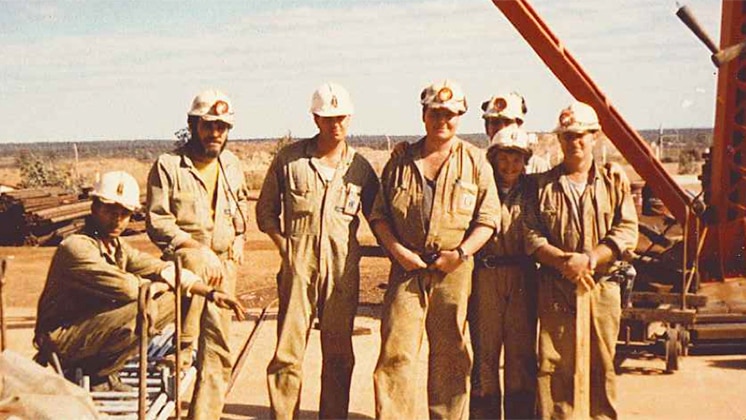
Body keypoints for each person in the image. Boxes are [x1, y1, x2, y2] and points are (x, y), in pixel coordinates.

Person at [34, 171, 245, 393]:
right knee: (148, 307)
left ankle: (101, 373)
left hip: (87, 329)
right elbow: (127, 288)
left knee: (172, 293)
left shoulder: (116, 246)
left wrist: (210, 293)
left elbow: (160, 268)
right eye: (110, 211)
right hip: (61, 338)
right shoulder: (76, 247)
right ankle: (93, 371)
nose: (117, 219)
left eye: (124, 214)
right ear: (94, 208)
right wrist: (159, 287)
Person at [371, 80, 501, 419]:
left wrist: (459, 255)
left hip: (454, 270)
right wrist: (398, 251)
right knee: (396, 353)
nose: (442, 120)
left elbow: (488, 220)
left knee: (451, 356)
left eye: (450, 114)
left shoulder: (475, 162)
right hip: (406, 269)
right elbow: (379, 216)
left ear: (460, 116)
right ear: (423, 114)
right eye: (435, 113)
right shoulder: (400, 161)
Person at [257, 82, 379, 419]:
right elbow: (265, 212)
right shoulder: (290, 160)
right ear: (315, 119)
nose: (335, 124)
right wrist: (286, 249)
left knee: (339, 354)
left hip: (341, 272)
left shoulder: (360, 169)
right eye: (328, 118)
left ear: (350, 117)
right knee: (288, 352)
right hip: (298, 268)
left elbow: (380, 217)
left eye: (341, 117)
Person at [524, 101, 638, 419]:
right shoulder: (542, 186)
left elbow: (626, 229)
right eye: (567, 136)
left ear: (595, 136)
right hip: (556, 286)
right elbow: (532, 236)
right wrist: (564, 262)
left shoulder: (614, 181)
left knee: (602, 364)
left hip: (601, 285)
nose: (573, 142)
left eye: (580, 135)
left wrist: (590, 259)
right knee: (553, 365)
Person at [146, 89, 249, 420]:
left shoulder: (231, 165)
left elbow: (240, 206)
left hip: (224, 268)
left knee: (218, 350)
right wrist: (198, 250)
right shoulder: (169, 167)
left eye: (223, 127)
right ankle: (177, 374)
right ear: (192, 125)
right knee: (181, 352)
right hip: (187, 271)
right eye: (209, 125)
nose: (216, 133)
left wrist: (239, 241)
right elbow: (158, 221)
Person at [469, 128, 537, 419]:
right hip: (486, 275)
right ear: (493, 159)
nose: (510, 166)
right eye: (504, 159)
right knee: (484, 354)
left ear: (525, 162)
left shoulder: (535, 190)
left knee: (520, 356)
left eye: (517, 159)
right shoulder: (479, 187)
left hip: (523, 276)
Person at [481, 92, 551, 174]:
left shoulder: (537, 167)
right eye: (495, 123)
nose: (501, 128)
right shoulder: (478, 163)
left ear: (519, 124)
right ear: (486, 128)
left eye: (507, 122)